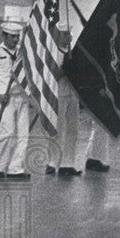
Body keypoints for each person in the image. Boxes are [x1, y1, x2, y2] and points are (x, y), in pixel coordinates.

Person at [0, 21, 30, 180]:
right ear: (4, 35)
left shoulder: (23, 53)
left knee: (23, 135)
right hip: (6, 99)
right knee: (6, 133)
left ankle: (16, 168)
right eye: (12, 36)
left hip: (22, 97)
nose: (16, 40)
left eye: (17, 36)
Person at [47, 22, 82, 177]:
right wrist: (65, 68)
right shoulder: (53, 52)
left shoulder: (73, 52)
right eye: (65, 34)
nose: (68, 37)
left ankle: (68, 163)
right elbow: (51, 74)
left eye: (70, 34)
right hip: (58, 93)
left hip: (73, 94)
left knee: (73, 130)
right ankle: (52, 162)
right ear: (58, 35)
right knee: (57, 130)